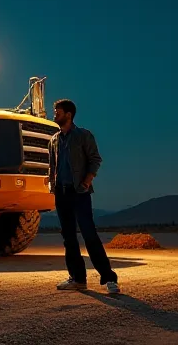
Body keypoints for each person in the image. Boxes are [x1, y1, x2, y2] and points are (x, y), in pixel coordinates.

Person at [49, 98, 120, 293]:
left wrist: (87, 181)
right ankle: (78, 279)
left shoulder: (83, 135)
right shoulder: (54, 140)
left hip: (79, 192)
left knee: (89, 234)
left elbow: (95, 159)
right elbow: (53, 166)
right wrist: (52, 187)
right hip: (61, 194)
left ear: (68, 115)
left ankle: (109, 279)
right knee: (68, 238)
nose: (54, 115)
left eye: (57, 112)